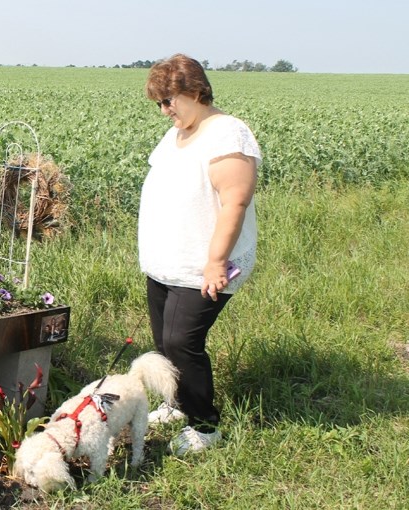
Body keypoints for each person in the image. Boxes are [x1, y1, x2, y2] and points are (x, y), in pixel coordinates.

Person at [138, 54, 261, 456]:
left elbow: (235, 203)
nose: (164, 110)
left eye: (169, 100)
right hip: (167, 262)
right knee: (163, 341)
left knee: (180, 342)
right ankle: (176, 403)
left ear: (196, 90)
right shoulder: (177, 132)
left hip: (203, 265)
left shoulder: (227, 134)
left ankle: (205, 426)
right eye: (158, 103)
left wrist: (215, 261)